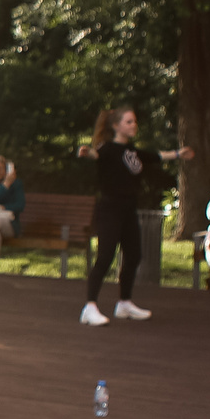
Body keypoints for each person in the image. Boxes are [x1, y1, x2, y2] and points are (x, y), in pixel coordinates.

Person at [76, 107, 192, 325]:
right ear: (116, 126)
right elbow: (96, 154)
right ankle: (89, 307)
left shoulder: (131, 150)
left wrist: (178, 154)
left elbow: (155, 156)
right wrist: (86, 152)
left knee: (134, 256)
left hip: (128, 210)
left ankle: (124, 304)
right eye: (129, 122)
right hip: (109, 209)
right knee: (105, 257)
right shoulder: (108, 149)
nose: (133, 125)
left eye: (134, 122)